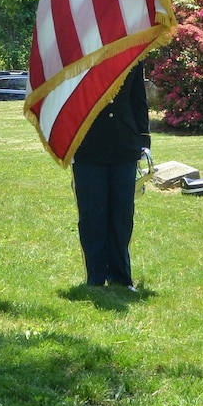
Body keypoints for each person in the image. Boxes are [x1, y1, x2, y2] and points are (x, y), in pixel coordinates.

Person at [71, 64, 150, 289]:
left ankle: (121, 277)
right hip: (87, 144)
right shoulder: (80, 52)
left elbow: (138, 99)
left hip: (124, 143)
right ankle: (95, 278)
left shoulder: (131, 50)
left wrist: (144, 141)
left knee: (122, 214)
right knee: (92, 215)